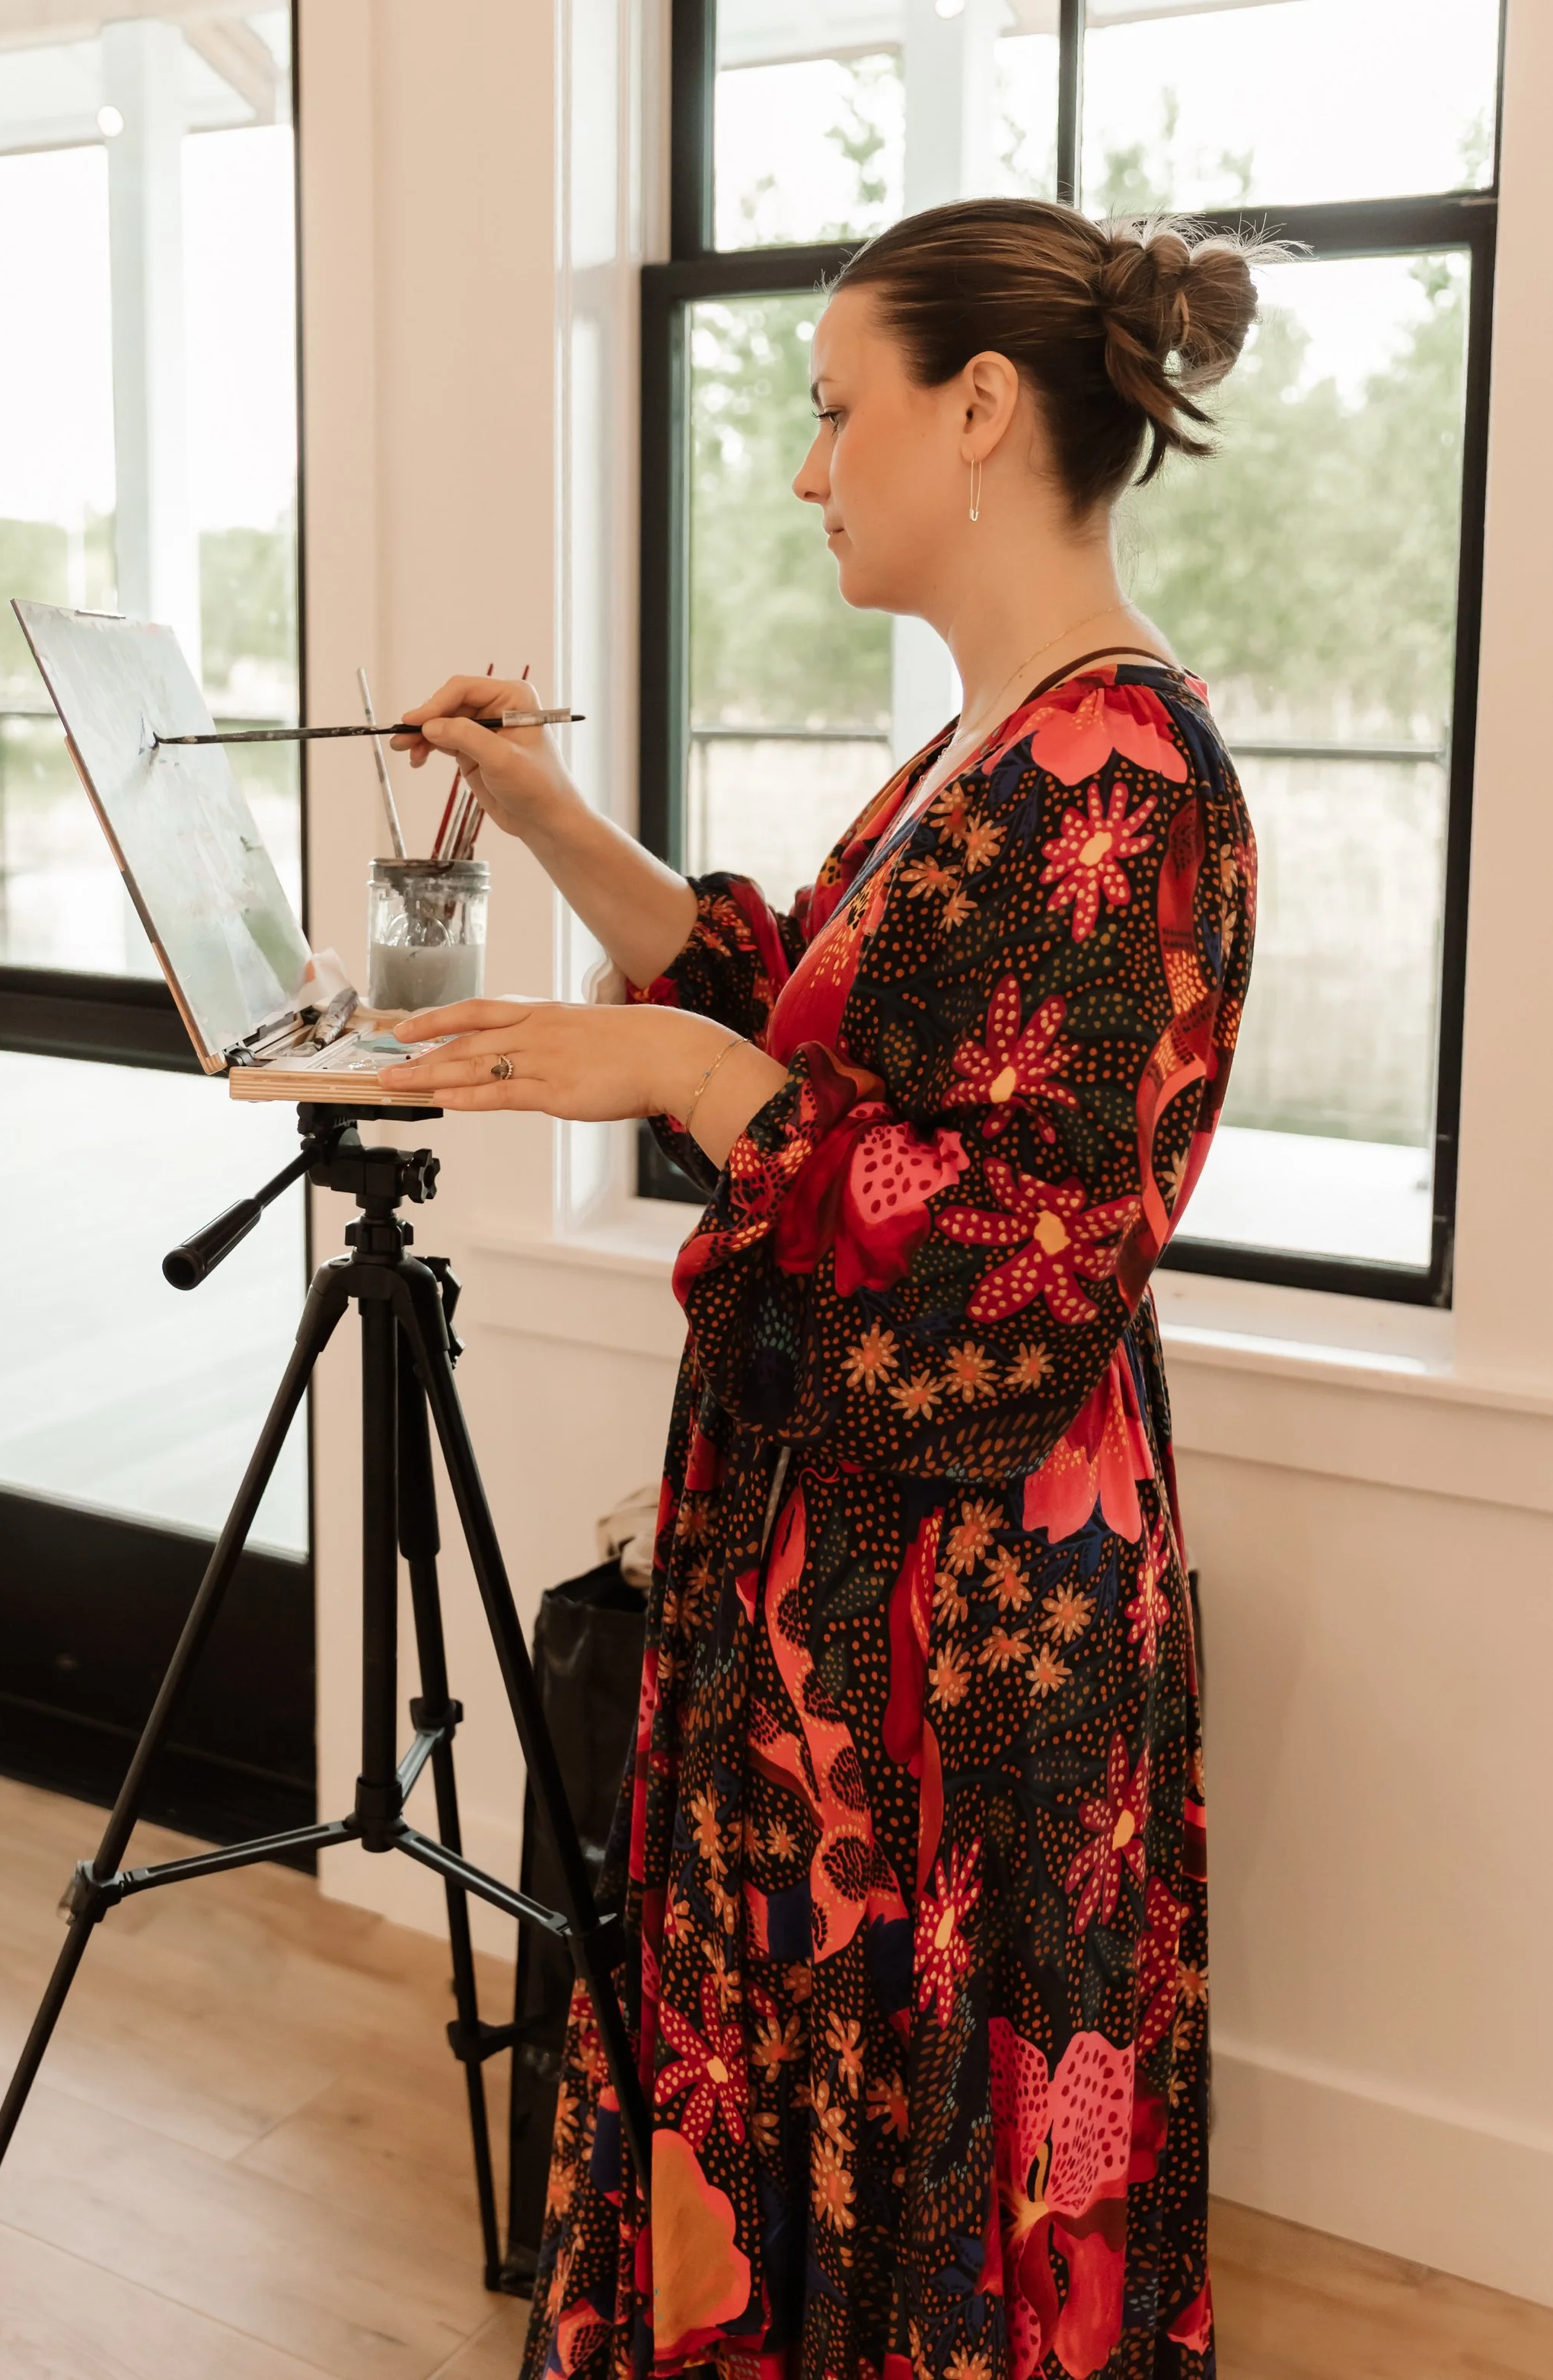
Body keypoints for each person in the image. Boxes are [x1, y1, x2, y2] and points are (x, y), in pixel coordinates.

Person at [389, 197, 1261, 2380]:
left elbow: (1039, 1257)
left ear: (972, 413)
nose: (802, 468)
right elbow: (807, 1030)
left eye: (827, 411)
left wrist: (691, 1078)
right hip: (840, 1573)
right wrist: (554, 818)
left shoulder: (1130, 776)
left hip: (960, 1613)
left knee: (928, 2134)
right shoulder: (989, 744)